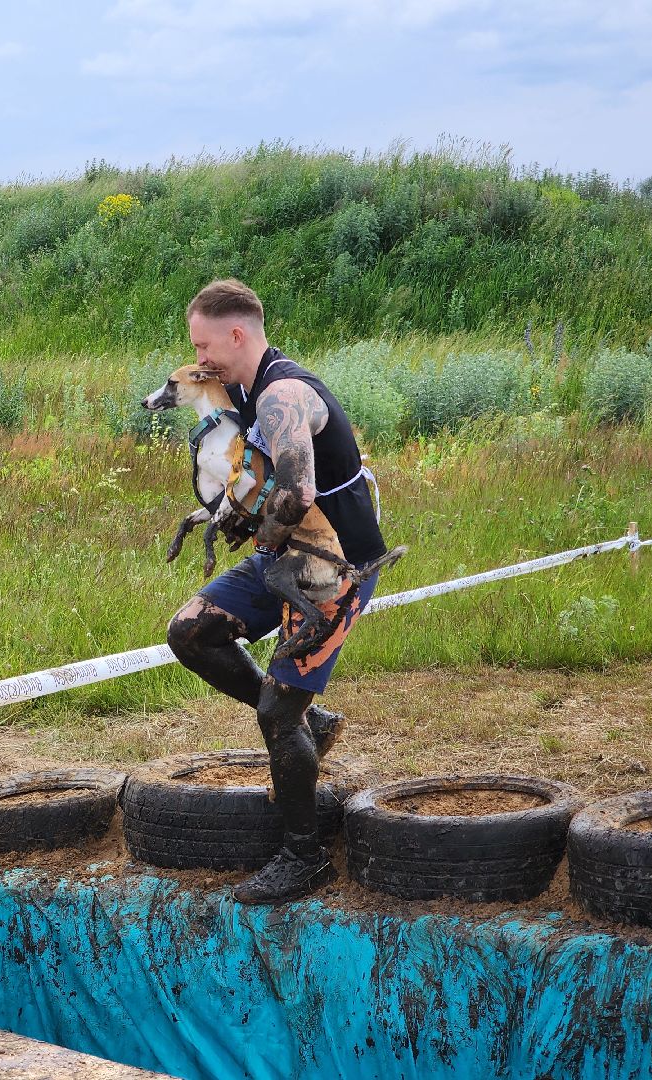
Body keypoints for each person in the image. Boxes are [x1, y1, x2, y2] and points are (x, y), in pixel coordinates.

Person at [165, 279, 391, 904]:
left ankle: (304, 857)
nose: (198, 356)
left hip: (334, 567)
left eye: (203, 345)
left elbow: (297, 490)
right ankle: (313, 721)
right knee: (190, 632)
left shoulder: (283, 394)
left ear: (237, 334)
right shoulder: (237, 389)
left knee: (275, 713)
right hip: (282, 556)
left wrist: (254, 527)